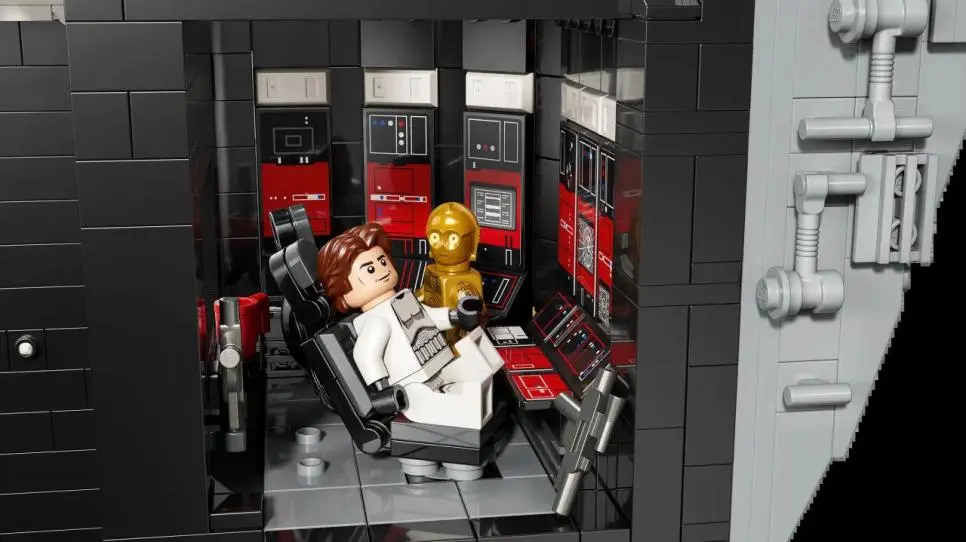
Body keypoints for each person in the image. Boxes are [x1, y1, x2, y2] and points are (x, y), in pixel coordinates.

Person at [316, 222, 504, 431]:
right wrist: (383, 391)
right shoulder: (375, 321)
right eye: (370, 269)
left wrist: (455, 315)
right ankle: (468, 406)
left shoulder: (404, 299)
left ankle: (474, 398)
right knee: (459, 399)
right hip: (411, 387)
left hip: (437, 365)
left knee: (479, 361)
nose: (382, 270)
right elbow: (365, 355)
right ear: (343, 292)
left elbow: (429, 316)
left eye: (382, 261)